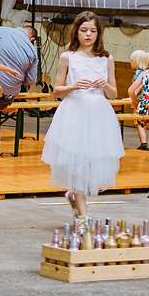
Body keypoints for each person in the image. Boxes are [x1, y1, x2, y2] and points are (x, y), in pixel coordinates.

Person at [41, 11, 125, 223]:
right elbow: (56, 90)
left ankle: (74, 196)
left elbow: (113, 93)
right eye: (84, 30)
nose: (88, 35)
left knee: (92, 160)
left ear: (99, 34)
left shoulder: (106, 59)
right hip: (75, 111)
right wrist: (72, 86)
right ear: (76, 32)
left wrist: (104, 84)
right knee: (77, 159)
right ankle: (83, 215)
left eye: (93, 31)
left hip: (98, 113)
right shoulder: (67, 57)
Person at [0, 24, 40, 142]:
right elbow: (31, 81)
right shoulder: (33, 52)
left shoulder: (0, 30)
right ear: (32, 39)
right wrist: (19, 81)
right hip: (7, 91)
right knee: (1, 92)